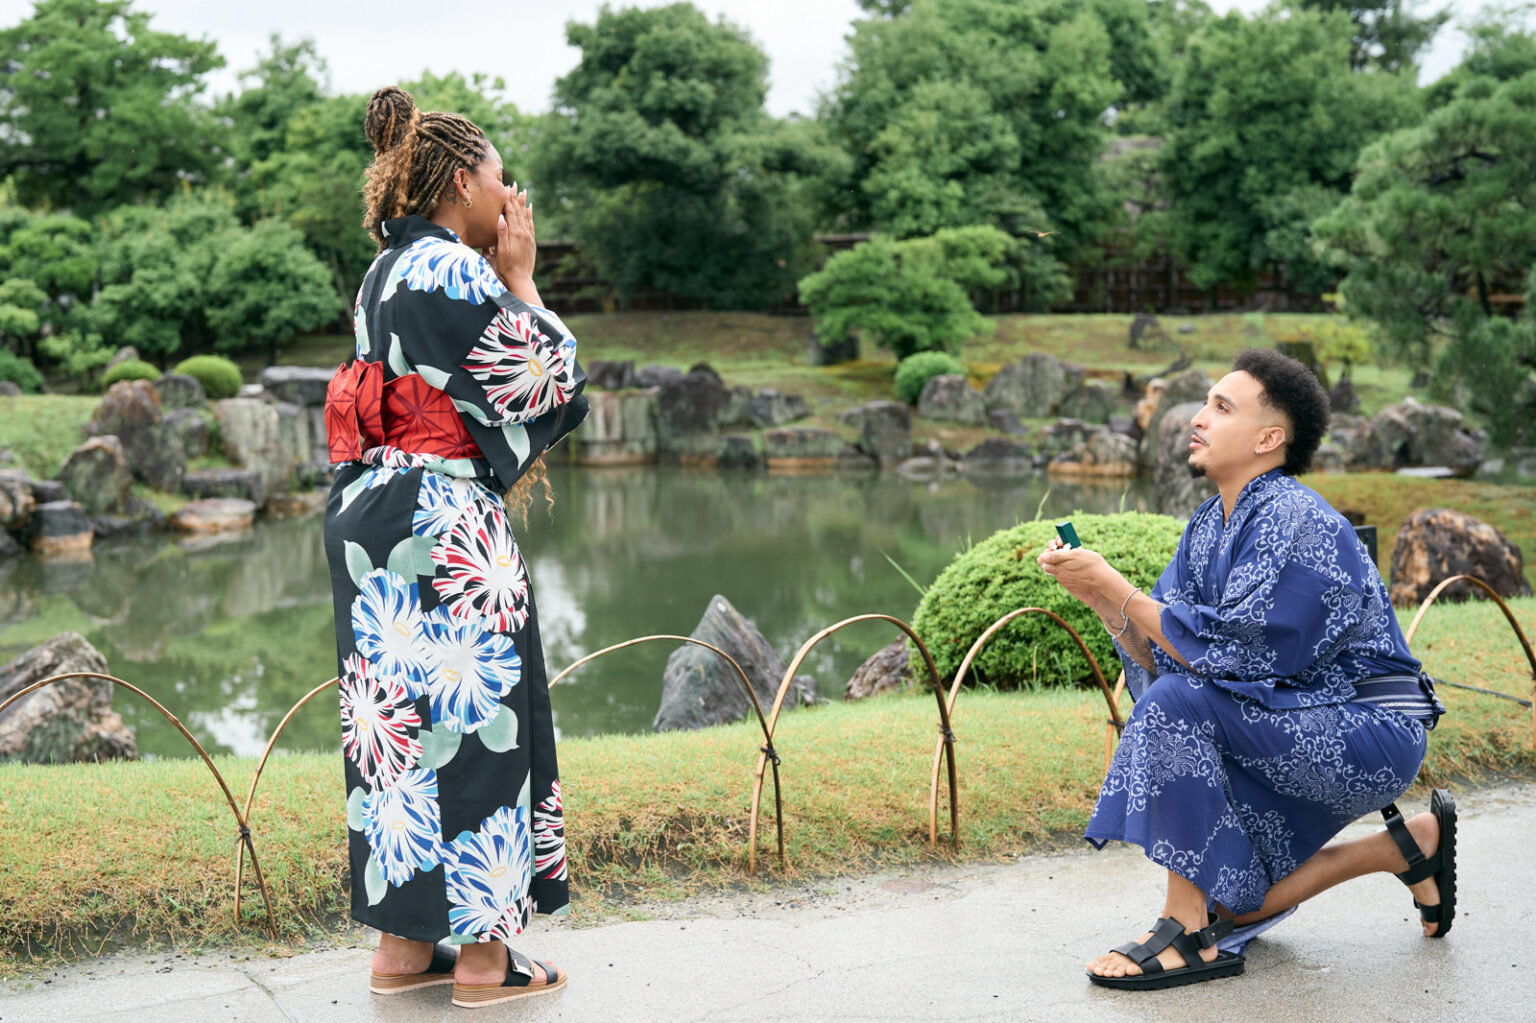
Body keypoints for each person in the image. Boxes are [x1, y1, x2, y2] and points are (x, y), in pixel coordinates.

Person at [1038, 348, 1453, 990]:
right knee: (1236, 903)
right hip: (1290, 721)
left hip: (1370, 726)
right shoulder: (1209, 523)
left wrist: (1120, 589)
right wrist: (1099, 595)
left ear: (1269, 438)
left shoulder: (1296, 517)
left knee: (1178, 709)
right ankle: (1408, 845)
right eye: (1205, 402)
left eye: (1221, 406)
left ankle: (1185, 932)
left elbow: (1234, 655)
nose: (1198, 418)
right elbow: (1172, 649)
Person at [321, 85, 587, 1009]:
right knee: (480, 722)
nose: (510, 201)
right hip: (442, 518)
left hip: (372, 513)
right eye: (502, 182)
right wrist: (524, 279)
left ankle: (403, 946)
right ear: (464, 181)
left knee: (395, 724)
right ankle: (484, 960)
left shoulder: (382, 273)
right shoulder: (453, 270)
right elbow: (549, 378)